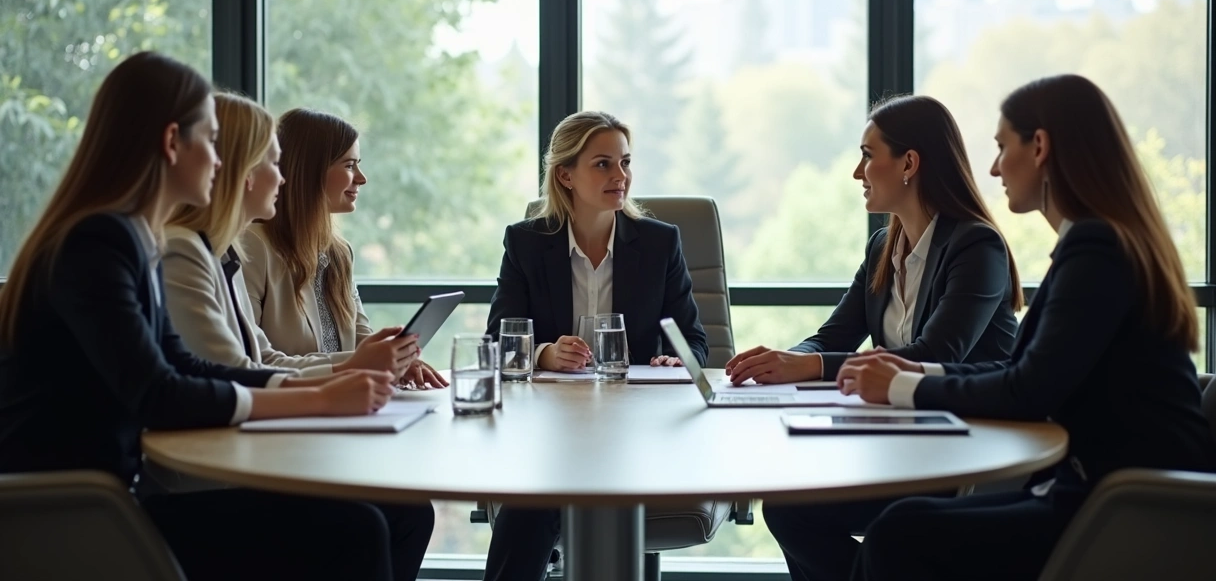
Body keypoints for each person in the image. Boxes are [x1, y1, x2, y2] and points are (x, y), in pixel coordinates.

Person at [0, 51, 433, 581]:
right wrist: (320, 397)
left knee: (370, 521)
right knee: (354, 529)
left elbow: (187, 367)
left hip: (102, 499)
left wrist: (324, 386)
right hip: (72, 512)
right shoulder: (100, 243)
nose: (221, 161)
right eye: (211, 141)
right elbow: (159, 393)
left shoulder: (129, 239)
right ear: (171, 143)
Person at [839, 74, 1216, 581]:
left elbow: (1028, 389)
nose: (994, 167)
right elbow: (1021, 369)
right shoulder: (1096, 242)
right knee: (898, 528)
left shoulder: (1096, 251)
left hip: (1127, 508)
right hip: (1097, 492)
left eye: (1001, 147)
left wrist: (902, 386)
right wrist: (908, 376)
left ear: (1039, 147)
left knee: (898, 536)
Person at [731, 94, 1024, 581]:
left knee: (795, 513)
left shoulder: (976, 245)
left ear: (909, 163)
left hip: (963, 451)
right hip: (898, 441)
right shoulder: (883, 246)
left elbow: (934, 354)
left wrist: (813, 366)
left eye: (868, 156)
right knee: (786, 506)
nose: (857, 172)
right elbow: (833, 336)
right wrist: (784, 361)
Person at [481, 110, 708, 580]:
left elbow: (696, 342)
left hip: (640, 430)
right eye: (603, 164)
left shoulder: (660, 243)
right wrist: (544, 353)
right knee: (531, 506)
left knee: (538, 505)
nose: (620, 176)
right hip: (549, 430)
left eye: (625, 162)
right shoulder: (526, 243)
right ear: (565, 175)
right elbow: (497, 340)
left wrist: (675, 359)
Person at [163, 92, 423, 381]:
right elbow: (242, 369)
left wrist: (387, 359)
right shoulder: (229, 248)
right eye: (349, 165)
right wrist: (352, 370)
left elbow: (255, 361)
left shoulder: (335, 253)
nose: (282, 177)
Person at [241, 108, 445, 389]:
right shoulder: (253, 245)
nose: (362, 178)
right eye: (349, 165)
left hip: (342, 404)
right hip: (290, 407)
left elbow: (362, 340)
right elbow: (252, 361)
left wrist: (396, 361)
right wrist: (361, 363)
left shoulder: (338, 253)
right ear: (310, 171)